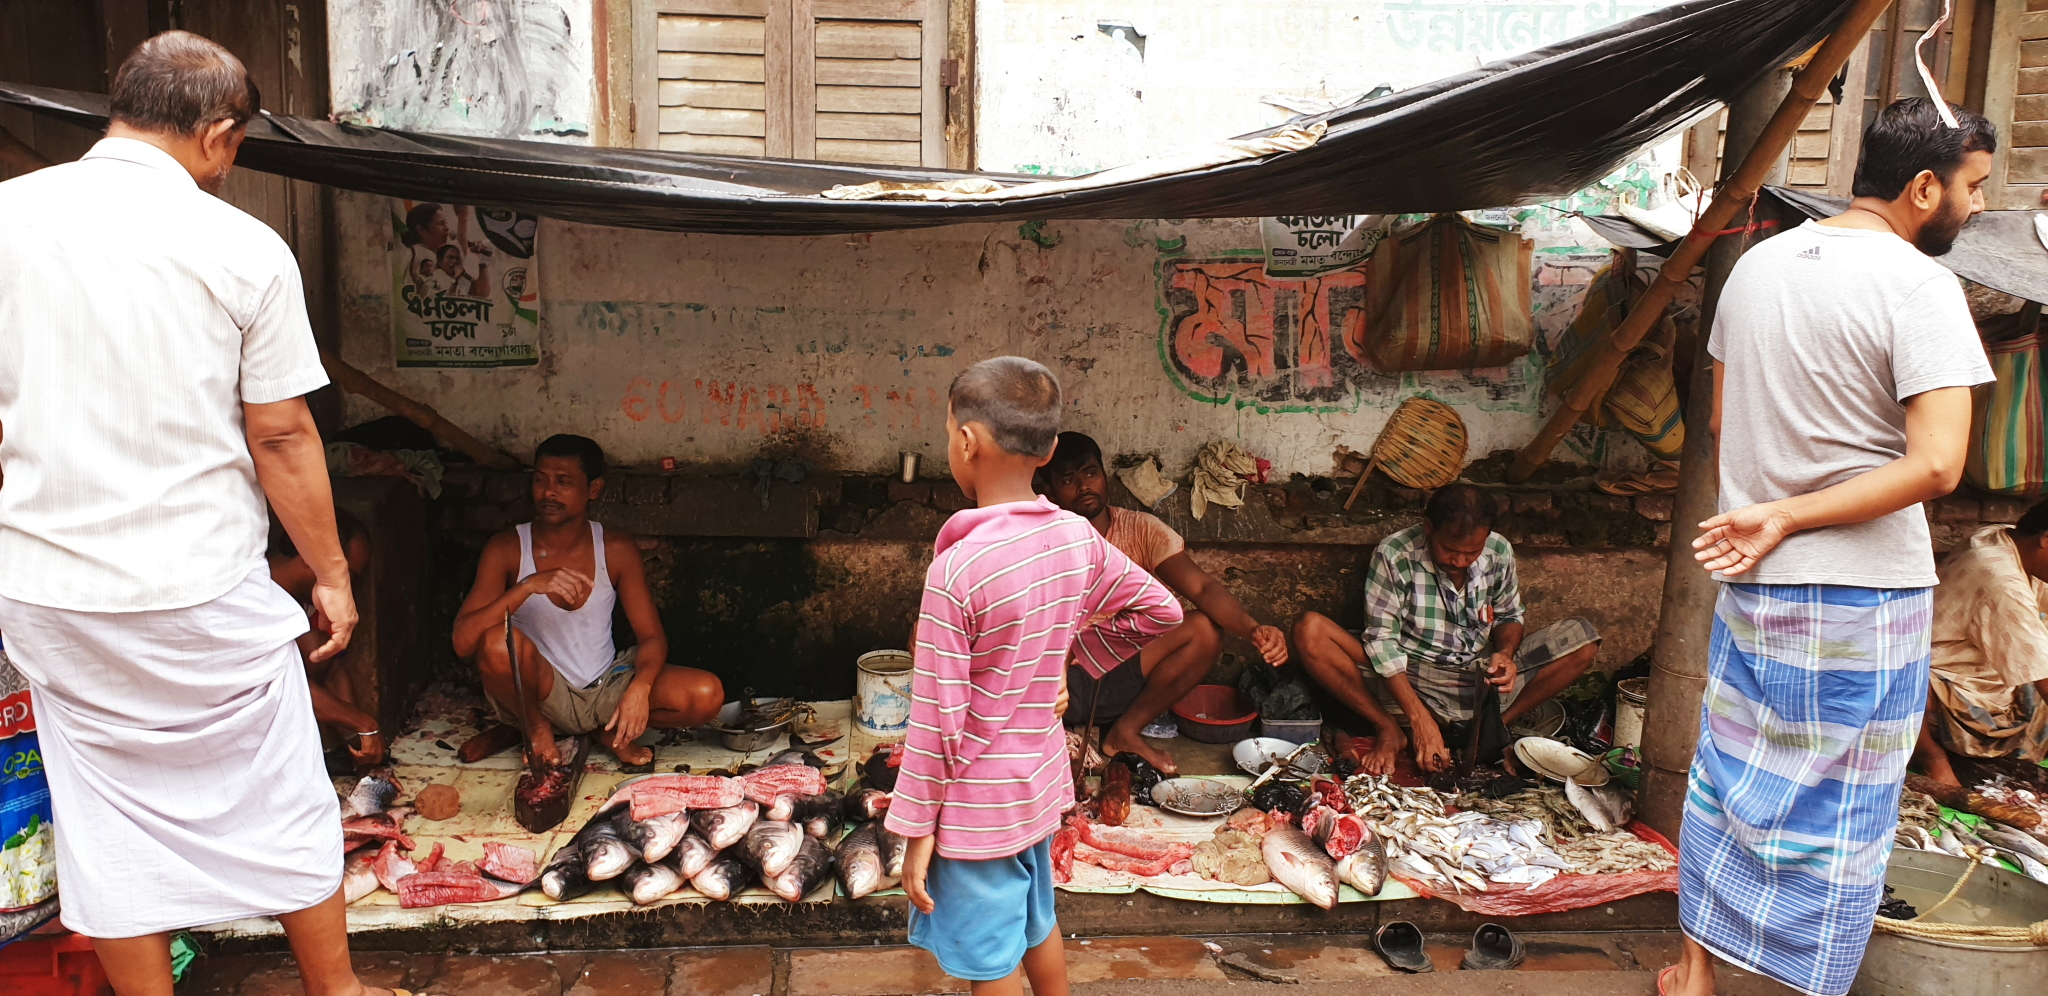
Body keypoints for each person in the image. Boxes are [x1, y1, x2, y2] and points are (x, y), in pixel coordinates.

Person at [0, 32, 390, 996]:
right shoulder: (240, 246)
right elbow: (285, 437)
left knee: (105, 810)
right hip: (194, 590)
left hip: (47, 593)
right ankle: (335, 994)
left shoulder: (7, 217)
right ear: (219, 134)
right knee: (281, 790)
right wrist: (332, 576)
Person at [1666, 97, 1997, 996]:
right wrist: (1793, 515)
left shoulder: (1757, 268)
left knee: (1730, 776)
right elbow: (1937, 466)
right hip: (1860, 593)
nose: (1973, 209)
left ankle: (1694, 974)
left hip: (1757, 585)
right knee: (1838, 815)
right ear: (1923, 186)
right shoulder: (1921, 286)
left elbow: (1728, 423)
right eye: (1971, 189)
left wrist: (1775, 513)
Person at [887, 358, 1182, 996]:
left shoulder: (957, 569)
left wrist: (915, 833)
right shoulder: (1077, 538)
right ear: (1048, 449)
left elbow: (936, 718)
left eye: (947, 433)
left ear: (964, 442)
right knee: (1036, 923)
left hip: (974, 807)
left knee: (991, 962)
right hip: (1041, 784)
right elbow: (1161, 609)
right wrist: (1069, 656)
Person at [452, 434, 722, 768]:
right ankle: (535, 727)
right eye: (540, 480)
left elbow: (651, 637)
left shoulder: (616, 549)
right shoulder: (507, 547)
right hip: (543, 692)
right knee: (496, 642)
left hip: (606, 685)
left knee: (706, 695)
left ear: (593, 490)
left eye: (563, 482)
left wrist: (640, 688)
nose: (548, 492)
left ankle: (607, 730)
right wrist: (525, 587)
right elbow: (464, 642)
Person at [1293, 484, 1599, 775]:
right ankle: (1389, 726)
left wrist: (1505, 655)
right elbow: (1382, 641)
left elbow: (1509, 616)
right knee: (1311, 630)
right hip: (1408, 678)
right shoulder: (1395, 554)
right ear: (1428, 528)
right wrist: (1420, 719)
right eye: (1451, 550)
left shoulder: (1499, 551)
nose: (1461, 561)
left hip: (1477, 680)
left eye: (1472, 552)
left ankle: (1491, 730)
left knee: (1582, 639)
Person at [1037, 431, 1288, 774]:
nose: (1083, 486)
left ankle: (1126, 730)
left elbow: (1201, 586)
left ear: (1105, 476)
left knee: (1202, 628)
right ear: (1049, 491)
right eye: (1068, 479)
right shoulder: (1043, 538)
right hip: (1062, 687)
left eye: (1090, 473)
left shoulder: (1140, 529)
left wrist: (1254, 629)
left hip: (1124, 678)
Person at [1913, 498, 2048, 787]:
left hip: (1979, 668)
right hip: (1945, 682)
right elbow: (2043, 676)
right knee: (1911, 685)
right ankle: (1932, 757)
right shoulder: (2000, 579)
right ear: (2046, 540)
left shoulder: (2005, 536)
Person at [269, 509, 386, 768]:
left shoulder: (304, 599)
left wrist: (357, 745)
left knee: (319, 645)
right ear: (314, 557)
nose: (348, 589)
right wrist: (365, 725)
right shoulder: (258, 597)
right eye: (348, 577)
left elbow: (333, 668)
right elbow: (281, 683)